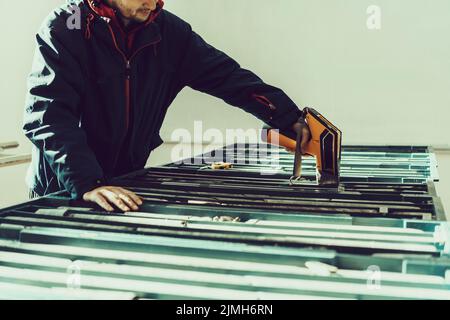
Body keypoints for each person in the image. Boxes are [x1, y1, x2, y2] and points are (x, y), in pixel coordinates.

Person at [23, 0, 311, 212]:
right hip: (65, 187)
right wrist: (88, 182)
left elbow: (227, 76)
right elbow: (48, 116)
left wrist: (287, 117)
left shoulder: (169, 32)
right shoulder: (66, 26)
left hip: (126, 180)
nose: (154, 1)